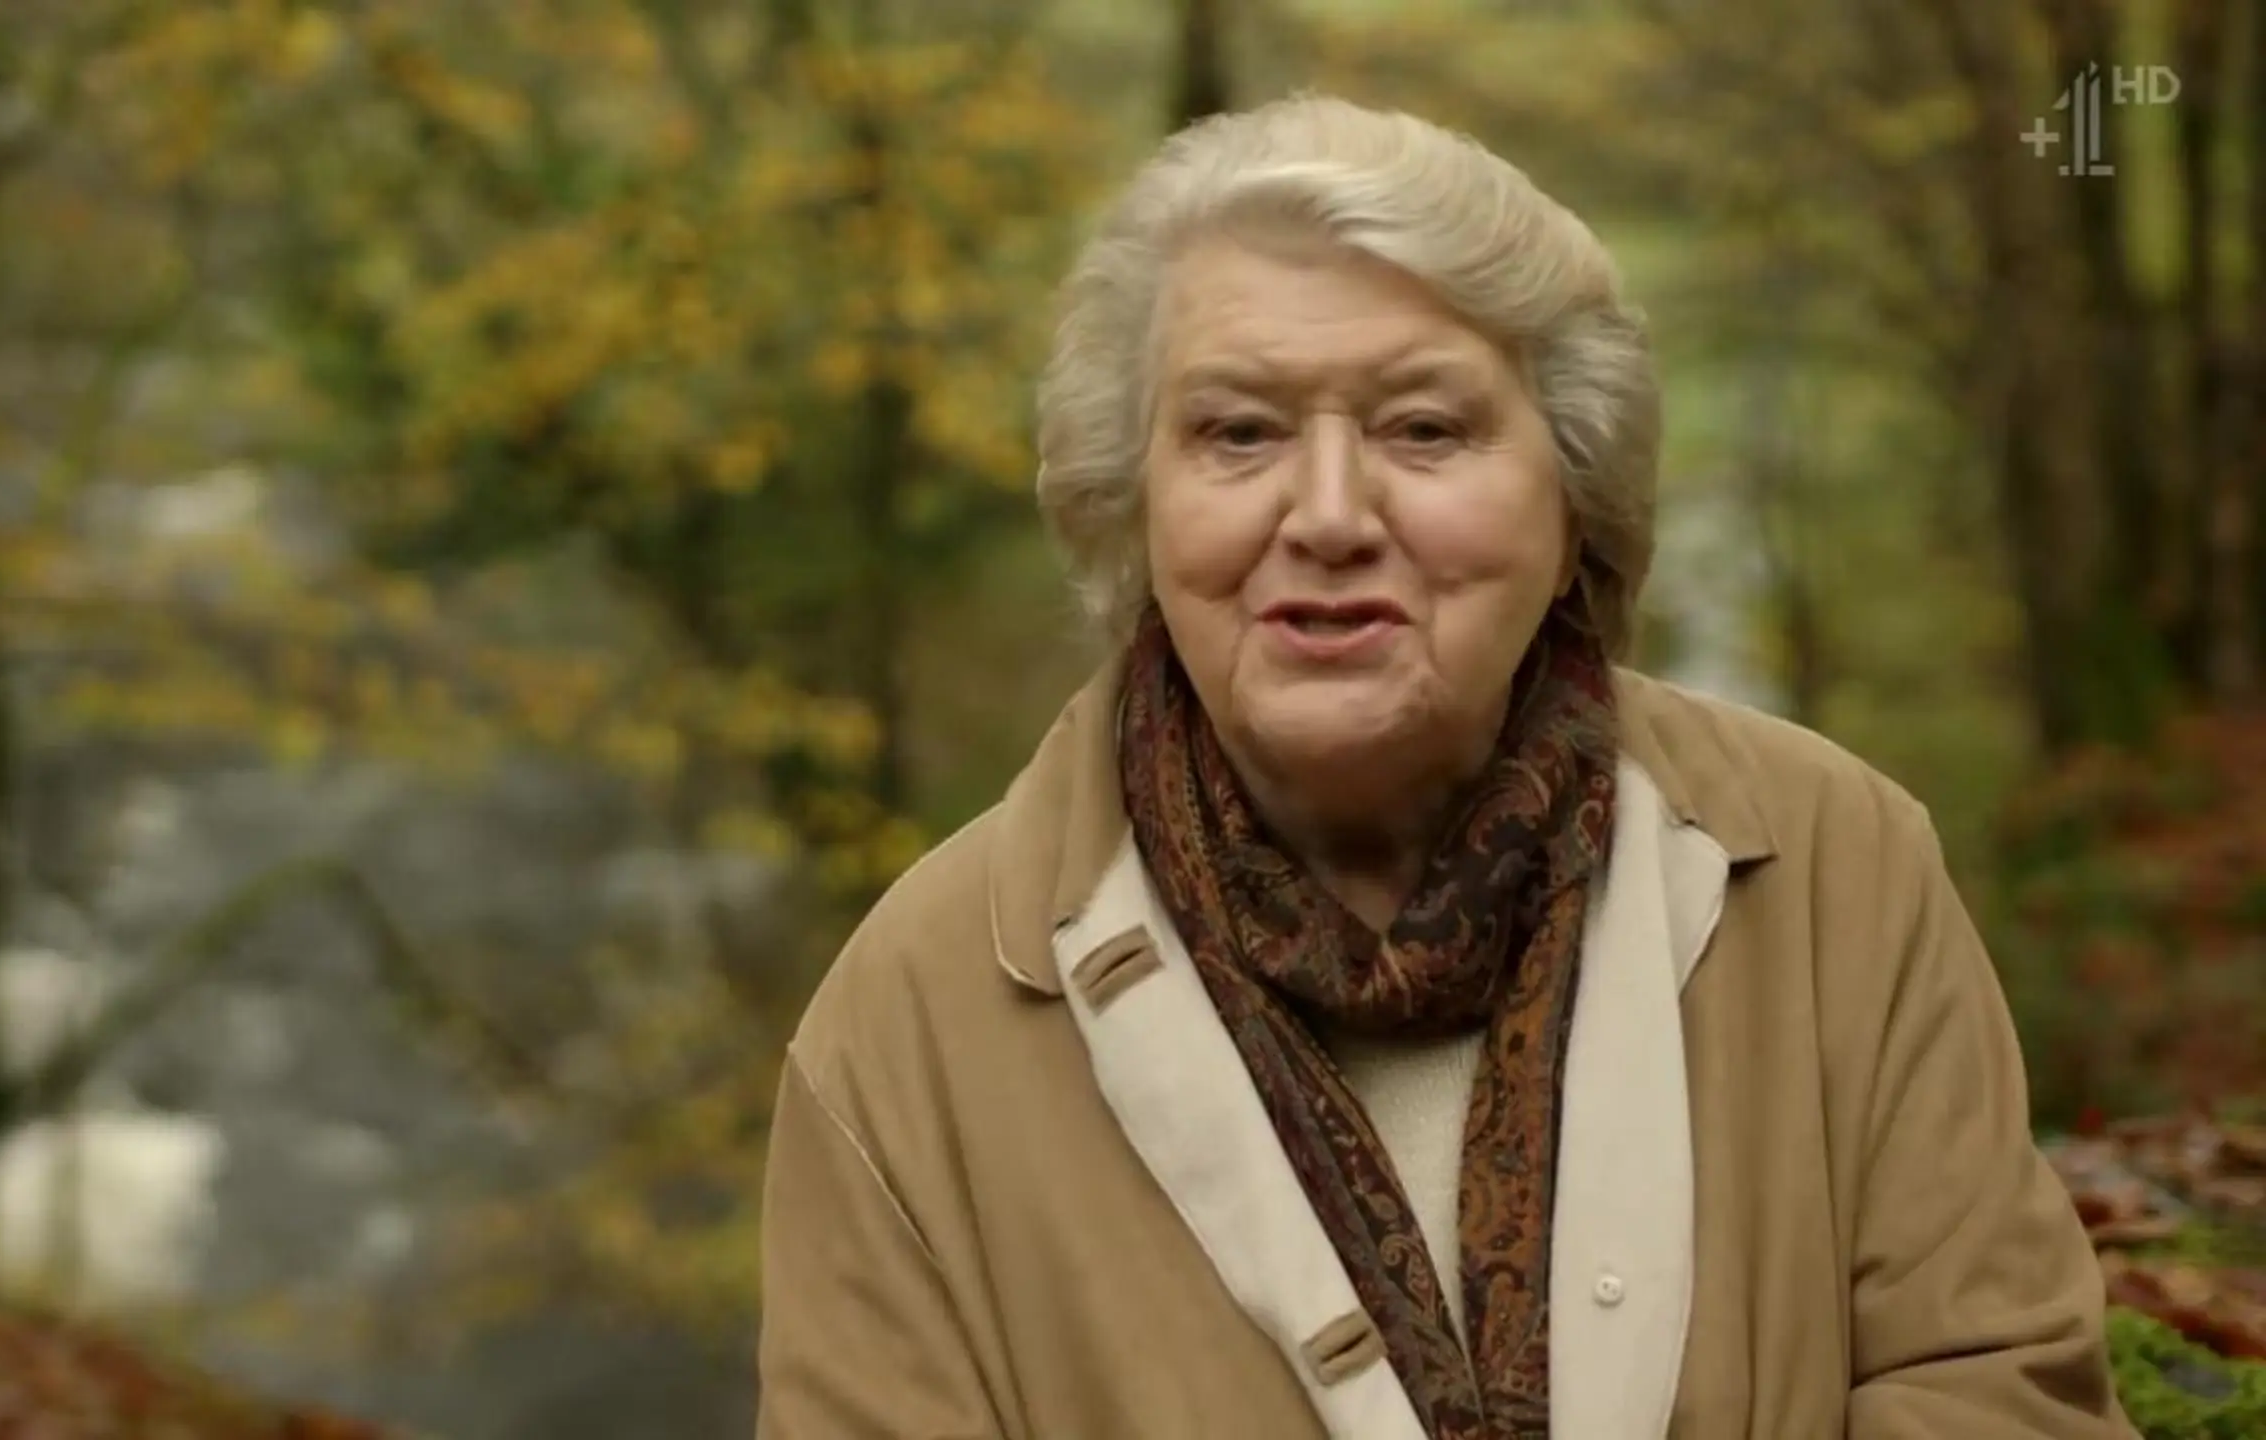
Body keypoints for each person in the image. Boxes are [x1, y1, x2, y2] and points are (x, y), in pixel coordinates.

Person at [754, 95, 2133, 1440]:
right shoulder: (909, 1023)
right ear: (1134, 507)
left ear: (1572, 498)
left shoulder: (1836, 868)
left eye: (1425, 429)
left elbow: (1997, 1390)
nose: (1333, 514)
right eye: (1240, 433)